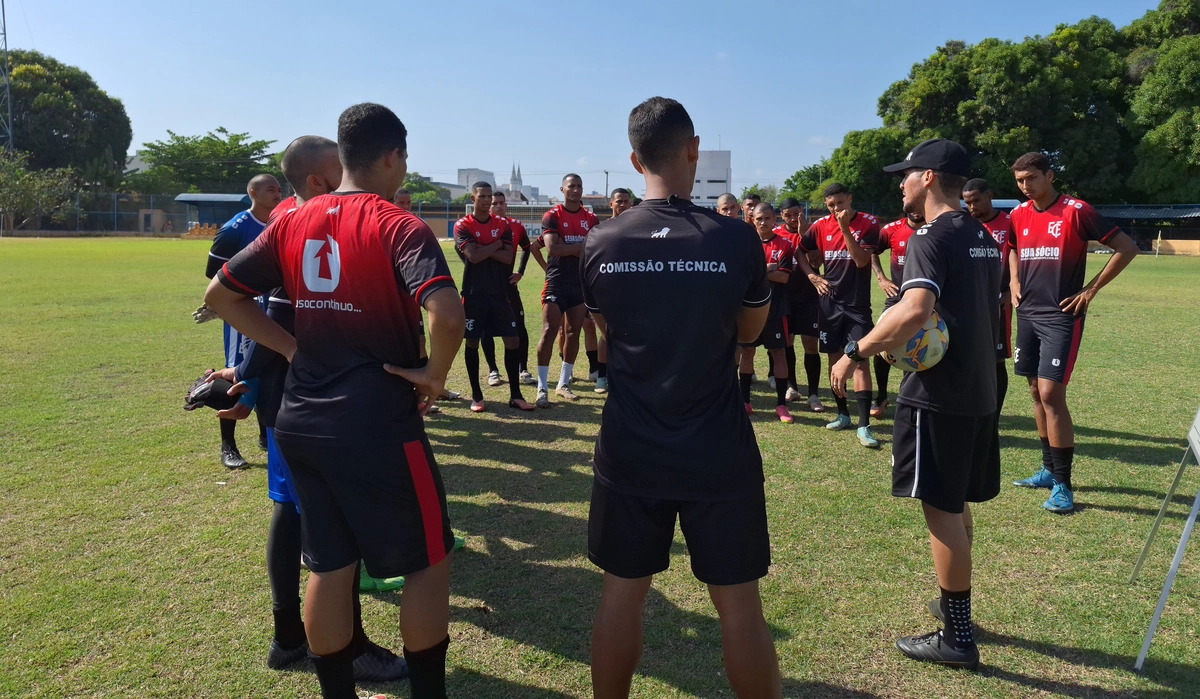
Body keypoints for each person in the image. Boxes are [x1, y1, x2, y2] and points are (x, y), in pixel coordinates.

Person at [205, 103, 464, 699]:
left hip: (301, 422)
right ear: (394, 156)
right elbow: (447, 312)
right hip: (376, 423)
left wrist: (294, 351)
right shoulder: (398, 223)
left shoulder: (292, 220)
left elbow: (222, 294)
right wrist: (433, 374)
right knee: (427, 562)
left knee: (328, 564)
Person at [581, 96, 782, 699]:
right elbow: (748, 334)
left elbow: (610, 336)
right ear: (693, 149)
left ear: (633, 158)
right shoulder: (737, 241)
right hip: (717, 447)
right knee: (741, 608)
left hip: (631, 447)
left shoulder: (603, 241)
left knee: (621, 596)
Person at [831, 138, 1002, 670]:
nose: (900, 182)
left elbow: (914, 310)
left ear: (929, 178)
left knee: (941, 510)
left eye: (906, 174)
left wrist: (855, 350)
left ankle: (955, 637)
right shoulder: (981, 233)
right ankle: (961, 612)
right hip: (980, 386)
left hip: (938, 395)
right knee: (956, 502)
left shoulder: (929, 236)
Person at [1007, 152, 1139, 513]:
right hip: (1028, 315)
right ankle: (1048, 470)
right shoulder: (1017, 214)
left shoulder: (1076, 210)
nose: (1025, 186)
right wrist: (1015, 279)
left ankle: (1063, 484)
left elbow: (1126, 248)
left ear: (1050, 175)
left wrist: (1091, 289)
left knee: (1051, 393)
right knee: (1035, 390)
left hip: (1061, 316)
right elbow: (1013, 248)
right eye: (1019, 181)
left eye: (1031, 178)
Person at [203, 173, 283, 469]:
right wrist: (229, 302)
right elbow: (214, 272)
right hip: (244, 312)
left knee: (269, 369)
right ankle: (228, 446)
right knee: (237, 373)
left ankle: (265, 433)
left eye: (279, 188)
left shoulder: (280, 222)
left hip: (275, 310)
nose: (277, 193)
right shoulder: (235, 228)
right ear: (253, 192)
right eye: (270, 189)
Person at [794, 183, 881, 448]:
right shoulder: (820, 225)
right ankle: (843, 414)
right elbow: (800, 249)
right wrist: (812, 275)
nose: (835, 209)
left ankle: (864, 425)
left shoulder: (868, 222)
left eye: (840, 203)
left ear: (850, 199)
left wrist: (844, 228)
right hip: (829, 303)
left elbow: (861, 261)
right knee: (834, 358)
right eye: (831, 205)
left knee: (859, 359)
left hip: (856, 305)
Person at [454, 182, 535, 412]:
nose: (487, 201)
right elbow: (473, 256)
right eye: (482, 197)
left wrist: (486, 247)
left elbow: (508, 255)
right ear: (473, 198)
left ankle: (516, 395)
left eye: (490, 196)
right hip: (473, 293)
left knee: (512, 339)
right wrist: (496, 244)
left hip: (500, 293)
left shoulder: (502, 224)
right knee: (472, 341)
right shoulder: (463, 225)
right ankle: (477, 396)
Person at [535, 173, 599, 407]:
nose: (576, 189)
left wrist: (570, 247)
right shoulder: (552, 215)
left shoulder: (591, 219)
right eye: (571, 186)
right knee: (549, 330)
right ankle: (542, 388)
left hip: (579, 283)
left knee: (573, 333)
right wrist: (580, 247)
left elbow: (592, 250)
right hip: (556, 282)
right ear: (562, 189)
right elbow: (552, 248)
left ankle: (563, 384)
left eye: (579, 186)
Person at [479, 189, 545, 387]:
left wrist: (520, 272)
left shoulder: (515, 226)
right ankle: (493, 371)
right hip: (485, 287)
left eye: (502, 203)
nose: (498, 206)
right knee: (486, 330)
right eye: (494, 203)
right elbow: (463, 248)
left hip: (508, 285)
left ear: (506, 205)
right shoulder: (479, 225)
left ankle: (523, 369)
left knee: (519, 328)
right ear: (488, 206)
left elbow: (527, 248)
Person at [738, 202, 795, 423]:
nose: (763, 222)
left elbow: (784, 277)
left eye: (767, 218)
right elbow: (742, 274)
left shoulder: (785, 244)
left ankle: (781, 404)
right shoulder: (745, 243)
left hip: (775, 309)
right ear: (753, 219)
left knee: (779, 354)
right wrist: (769, 267)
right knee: (747, 352)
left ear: (774, 220)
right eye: (759, 218)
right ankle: (745, 401)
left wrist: (758, 270)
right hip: (749, 308)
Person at [963, 178, 1015, 414]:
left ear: (989, 195)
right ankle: (971, 406)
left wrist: (1009, 291)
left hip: (998, 306)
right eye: (967, 202)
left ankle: (994, 413)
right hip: (966, 304)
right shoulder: (965, 225)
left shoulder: (1009, 223)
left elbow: (1021, 260)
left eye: (975, 200)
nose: (972, 206)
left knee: (995, 359)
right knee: (967, 357)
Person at [869, 210, 924, 418]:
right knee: (881, 344)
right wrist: (882, 278)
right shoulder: (892, 229)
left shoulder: (935, 228)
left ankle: (909, 397)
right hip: (897, 298)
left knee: (918, 346)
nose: (915, 212)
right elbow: (873, 250)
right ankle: (882, 395)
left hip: (927, 299)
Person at [774, 198, 825, 412]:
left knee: (810, 344)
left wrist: (804, 235)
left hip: (809, 297)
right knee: (787, 342)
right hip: (784, 298)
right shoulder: (776, 234)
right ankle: (792, 386)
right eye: (789, 215)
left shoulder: (813, 231)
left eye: (797, 213)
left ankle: (813, 394)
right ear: (782, 216)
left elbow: (817, 263)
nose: (794, 218)